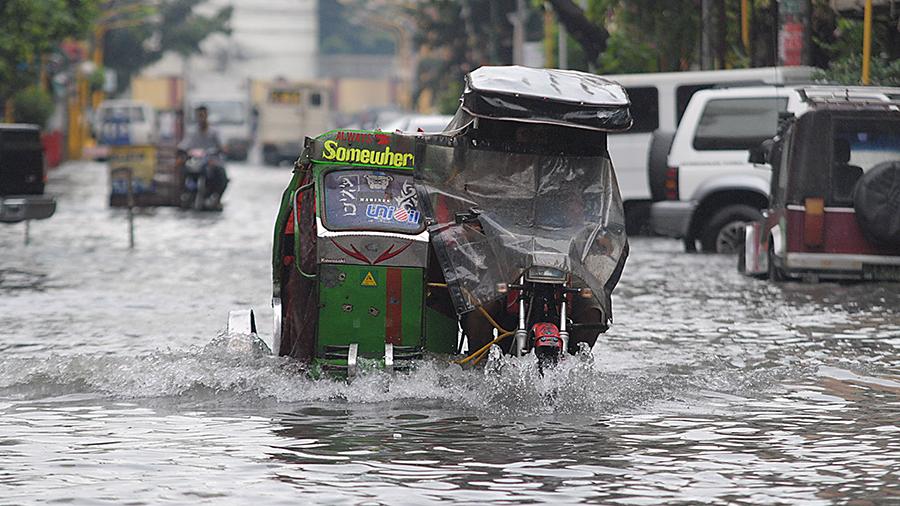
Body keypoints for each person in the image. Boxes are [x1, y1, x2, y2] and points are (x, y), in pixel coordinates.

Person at [177, 105, 228, 209]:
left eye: (203, 115)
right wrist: (181, 152)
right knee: (182, 171)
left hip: (212, 161)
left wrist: (221, 150)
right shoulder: (193, 132)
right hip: (196, 162)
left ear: (207, 116)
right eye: (199, 116)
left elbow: (223, 146)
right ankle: (184, 195)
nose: (201, 118)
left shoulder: (214, 132)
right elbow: (184, 145)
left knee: (221, 175)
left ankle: (217, 198)